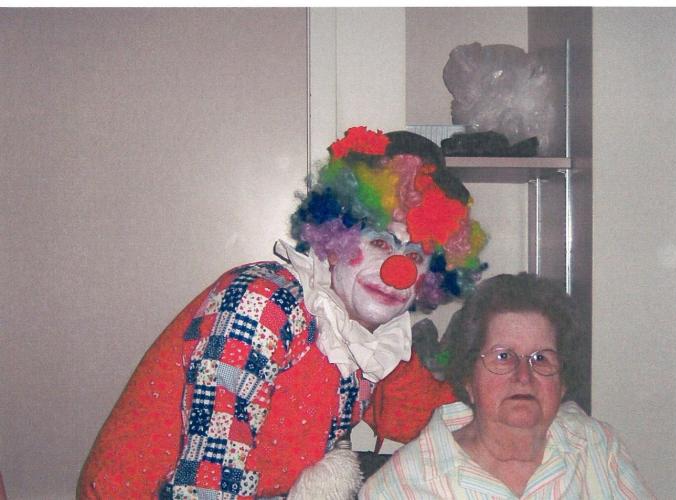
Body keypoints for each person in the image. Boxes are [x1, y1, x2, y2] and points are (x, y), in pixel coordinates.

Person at [78, 126, 487, 499]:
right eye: (380, 242)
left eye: (415, 255)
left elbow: (423, 413)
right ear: (336, 240)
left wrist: (504, 392)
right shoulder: (261, 303)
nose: (398, 272)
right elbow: (208, 476)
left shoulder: (372, 338)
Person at [360, 272, 654, 499]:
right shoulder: (400, 489)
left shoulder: (595, 447)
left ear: (563, 382)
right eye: (503, 357)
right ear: (468, 377)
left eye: (541, 358)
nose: (524, 376)